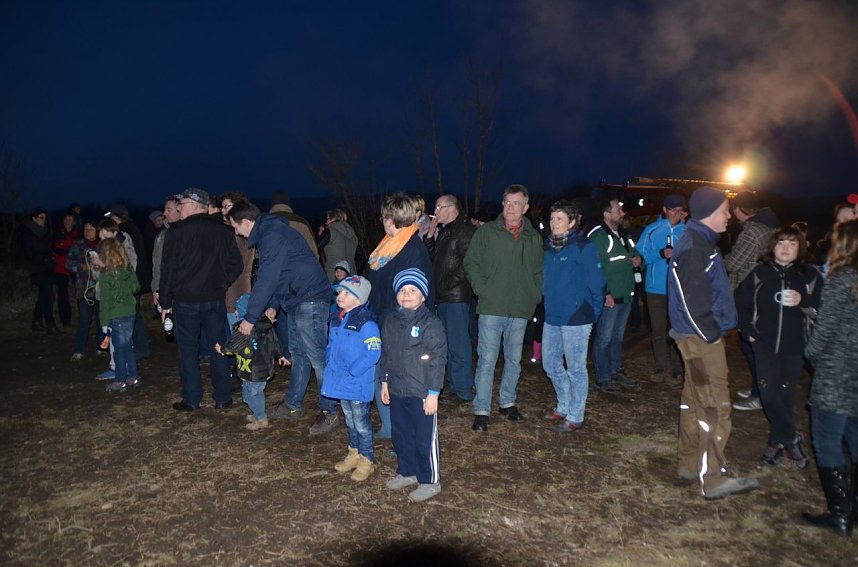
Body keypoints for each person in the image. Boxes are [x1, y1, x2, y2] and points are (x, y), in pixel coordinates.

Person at [668, 186, 759, 500]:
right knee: (715, 406)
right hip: (700, 340)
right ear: (708, 212)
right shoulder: (695, 247)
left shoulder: (703, 243)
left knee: (693, 402)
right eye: (724, 210)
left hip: (696, 338)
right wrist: (711, 334)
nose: (729, 216)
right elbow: (693, 303)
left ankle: (689, 464)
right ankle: (715, 478)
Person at [227, 200, 338, 435]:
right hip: (297, 299)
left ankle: (329, 411)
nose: (236, 232)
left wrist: (250, 318)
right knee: (299, 355)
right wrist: (275, 305)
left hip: (311, 297)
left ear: (246, 222)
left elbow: (267, 278)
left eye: (235, 226)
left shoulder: (271, 235)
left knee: (318, 358)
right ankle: (292, 405)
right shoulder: (270, 232)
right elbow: (282, 274)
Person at [735, 226, 821, 468]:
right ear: (772, 246)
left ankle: (776, 440)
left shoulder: (811, 275)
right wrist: (748, 331)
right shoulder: (759, 273)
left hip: (796, 345)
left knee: (784, 394)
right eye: (781, 242)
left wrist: (803, 301)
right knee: (768, 394)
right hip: (764, 343)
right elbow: (740, 303)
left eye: (791, 244)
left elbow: (822, 308)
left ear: (800, 248)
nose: (785, 248)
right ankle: (791, 439)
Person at [464, 184, 542, 432]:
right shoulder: (487, 232)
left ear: (526, 207)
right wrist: (482, 289)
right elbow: (471, 262)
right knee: (487, 360)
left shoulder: (533, 237)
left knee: (514, 360)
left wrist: (533, 295)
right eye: (507, 202)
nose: (510, 207)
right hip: (491, 306)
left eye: (516, 203)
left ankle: (507, 402)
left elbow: (539, 271)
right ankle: (482, 409)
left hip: (520, 308)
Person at [160, 188, 243, 411]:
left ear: (197, 205)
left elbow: (167, 271)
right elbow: (236, 265)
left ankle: (192, 399)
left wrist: (165, 303)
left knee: (188, 350)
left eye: (183, 203)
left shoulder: (176, 232)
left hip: (186, 301)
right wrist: (221, 283)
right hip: (213, 298)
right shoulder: (223, 231)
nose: (179, 208)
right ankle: (222, 397)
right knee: (218, 348)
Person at [802, 219, 858, 538]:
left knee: (827, 441)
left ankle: (839, 516)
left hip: (835, 374)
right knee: (854, 436)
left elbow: (824, 333)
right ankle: (855, 508)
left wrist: (811, 351)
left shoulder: (842, 279)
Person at [365, 193, 434, 439]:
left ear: (391, 219)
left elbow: (410, 294)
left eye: (384, 216)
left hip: (398, 324)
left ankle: (398, 430)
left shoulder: (411, 249)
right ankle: (389, 427)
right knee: (381, 374)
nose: (382, 220)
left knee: (395, 378)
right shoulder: (388, 245)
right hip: (381, 319)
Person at [380, 268, 446, 502]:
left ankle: (430, 480)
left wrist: (433, 393)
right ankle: (407, 471)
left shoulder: (431, 323)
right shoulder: (390, 321)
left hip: (421, 392)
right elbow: (386, 354)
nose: (407, 294)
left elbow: (438, 359)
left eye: (413, 290)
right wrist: (385, 381)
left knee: (424, 437)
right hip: (398, 389)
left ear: (423, 295)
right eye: (403, 290)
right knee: (401, 434)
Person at [541, 200, 605, 433]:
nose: (554, 223)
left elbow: (597, 283)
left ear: (572, 222)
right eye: (552, 218)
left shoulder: (583, 247)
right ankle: (564, 404)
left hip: (577, 317)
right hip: (552, 315)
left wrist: (592, 312)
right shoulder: (547, 248)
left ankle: (575, 415)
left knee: (576, 368)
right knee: (549, 363)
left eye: (559, 219)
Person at [321, 275, 382, 482]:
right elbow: (331, 344)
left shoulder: (367, 323)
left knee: (361, 423)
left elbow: (373, 352)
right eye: (339, 292)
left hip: (357, 383)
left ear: (359, 299)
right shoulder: (337, 318)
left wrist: (355, 370)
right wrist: (330, 361)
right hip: (341, 381)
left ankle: (367, 459)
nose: (340, 296)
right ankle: (353, 453)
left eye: (346, 293)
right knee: (349, 420)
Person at [723, 192, 780, 411]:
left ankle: (759, 393)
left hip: (748, 294)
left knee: (751, 346)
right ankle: (759, 386)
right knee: (755, 346)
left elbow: (733, 263)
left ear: (739, 210)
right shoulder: (770, 227)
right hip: (763, 293)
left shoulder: (752, 232)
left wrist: (721, 258)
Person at [587, 194, 643, 394]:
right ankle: (602, 377)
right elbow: (593, 267)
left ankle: (615, 370)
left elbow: (635, 254)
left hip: (626, 294)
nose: (622, 212)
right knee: (604, 338)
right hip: (610, 296)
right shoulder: (598, 237)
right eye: (618, 209)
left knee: (617, 337)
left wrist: (638, 260)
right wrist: (605, 292)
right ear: (606, 213)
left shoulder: (624, 235)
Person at [424, 194, 476, 403]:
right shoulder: (444, 231)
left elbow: (468, 265)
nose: (435, 212)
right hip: (443, 296)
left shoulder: (465, 232)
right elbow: (433, 259)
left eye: (438, 207)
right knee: (447, 344)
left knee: (459, 344)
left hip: (456, 296)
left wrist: (446, 284)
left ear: (452, 208)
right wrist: (430, 235)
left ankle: (462, 390)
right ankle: (454, 387)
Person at [637, 193, 687, 385]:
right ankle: (660, 365)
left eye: (679, 210)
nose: (675, 213)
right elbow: (639, 257)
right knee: (658, 330)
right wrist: (659, 253)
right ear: (664, 210)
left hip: (679, 289)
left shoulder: (688, 232)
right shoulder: (652, 230)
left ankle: (676, 368)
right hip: (655, 288)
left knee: (677, 330)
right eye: (672, 209)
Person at [216, 307, 289, 431]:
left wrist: (222, 350)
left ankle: (261, 418)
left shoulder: (246, 329)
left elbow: (235, 344)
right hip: (265, 370)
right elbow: (275, 343)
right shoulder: (268, 329)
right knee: (257, 393)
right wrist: (280, 356)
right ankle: (258, 414)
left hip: (251, 371)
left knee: (250, 395)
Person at [95, 238, 141, 393]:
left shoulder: (106, 275)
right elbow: (136, 287)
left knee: (119, 350)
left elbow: (105, 301)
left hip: (116, 315)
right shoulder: (127, 269)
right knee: (127, 346)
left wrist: (104, 322)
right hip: (130, 312)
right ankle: (134, 376)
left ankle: (120, 379)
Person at [107, 203, 151, 360]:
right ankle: (140, 347)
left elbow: (132, 258)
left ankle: (140, 349)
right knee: (134, 314)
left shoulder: (124, 232)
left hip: (132, 280)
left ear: (115, 217)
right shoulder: (133, 228)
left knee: (132, 315)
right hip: (137, 279)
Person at [67, 220, 101, 360]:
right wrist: (83, 268)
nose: (88, 231)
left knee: (101, 319)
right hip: (84, 289)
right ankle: (79, 349)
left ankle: (101, 346)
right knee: (84, 319)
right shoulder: (77, 245)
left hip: (100, 289)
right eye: (86, 229)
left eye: (91, 229)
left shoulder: (103, 245)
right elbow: (68, 265)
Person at [21, 209, 57, 333]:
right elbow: (30, 252)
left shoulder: (44, 232)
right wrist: (44, 258)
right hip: (37, 268)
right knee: (46, 295)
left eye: (45, 218)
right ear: (34, 219)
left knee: (45, 295)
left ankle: (37, 321)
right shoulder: (28, 233)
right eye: (41, 217)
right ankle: (49, 323)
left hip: (46, 267)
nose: (44, 220)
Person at [52, 212, 78, 328]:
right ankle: (65, 319)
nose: (67, 222)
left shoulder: (78, 233)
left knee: (81, 292)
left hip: (74, 267)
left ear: (74, 221)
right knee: (62, 294)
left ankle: (84, 316)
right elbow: (56, 248)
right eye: (66, 219)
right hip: (61, 268)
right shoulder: (57, 233)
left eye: (70, 219)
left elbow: (78, 250)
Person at [318, 208, 358, 283]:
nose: (326, 222)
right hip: (352, 280)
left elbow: (316, 249)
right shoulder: (354, 236)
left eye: (328, 219)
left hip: (333, 278)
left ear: (332, 219)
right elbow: (362, 259)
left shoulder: (329, 232)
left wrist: (321, 236)